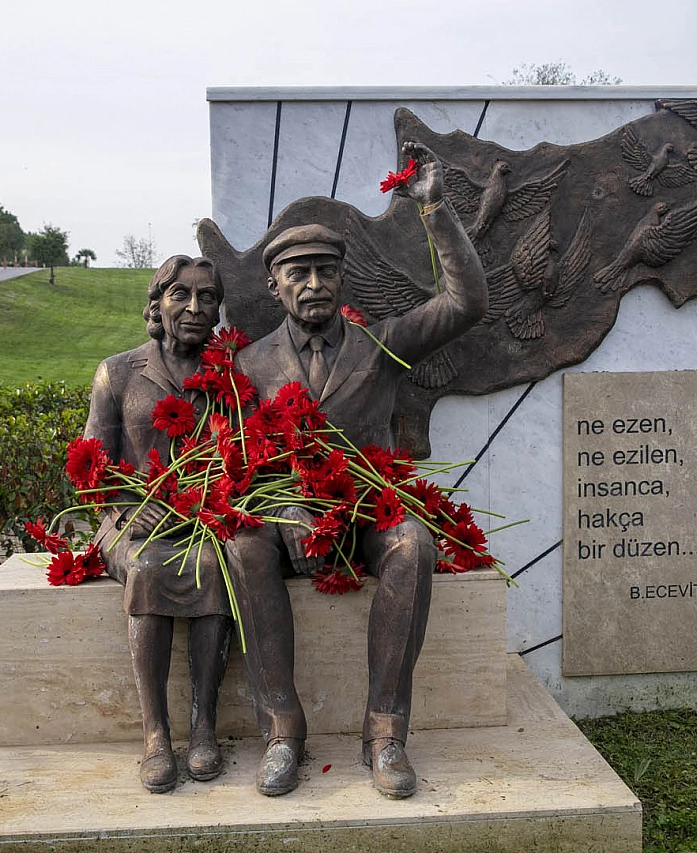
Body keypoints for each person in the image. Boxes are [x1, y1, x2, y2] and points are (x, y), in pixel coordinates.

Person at [225, 141, 488, 799]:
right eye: (299, 273)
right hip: (289, 521)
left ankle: (385, 734)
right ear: (274, 285)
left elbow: (466, 303)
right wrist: (284, 507)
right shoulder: (248, 365)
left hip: (367, 511)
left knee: (413, 543)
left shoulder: (382, 344)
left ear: (342, 280)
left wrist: (434, 209)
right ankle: (282, 731)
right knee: (242, 546)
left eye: (326, 271)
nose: (314, 284)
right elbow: (242, 464)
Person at [83, 255, 232, 794]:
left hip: (200, 522)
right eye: (180, 295)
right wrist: (127, 508)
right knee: (147, 568)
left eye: (207, 297)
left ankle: (203, 726)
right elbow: (90, 463)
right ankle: (156, 736)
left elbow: (240, 459)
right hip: (128, 522)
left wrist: (211, 503)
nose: (194, 308)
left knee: (215, 567)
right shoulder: (118, 371)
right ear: (157, 304)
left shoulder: (229, 377)